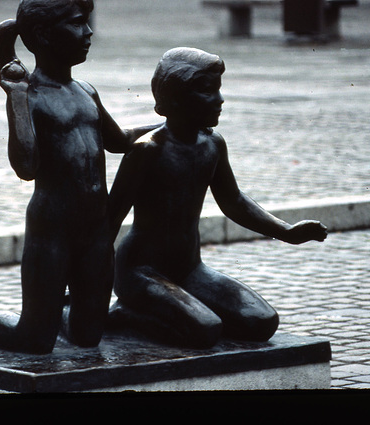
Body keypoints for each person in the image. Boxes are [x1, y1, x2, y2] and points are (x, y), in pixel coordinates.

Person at [0, 0, 158, 354]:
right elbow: (26, 166)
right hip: (52, 229)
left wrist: (170, 125)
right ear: (42, 36)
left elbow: (119, 140)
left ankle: (55, 310)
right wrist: (16, 97)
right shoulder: (31, 97)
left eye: (87, 22)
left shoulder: (86, 92)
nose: (88, 33)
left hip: (95, 230)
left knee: (88, 335)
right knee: (34, 340)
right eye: (77, 24)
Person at [107, 47, 328, 349]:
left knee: (261, 322)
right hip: (140, 273)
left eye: (218, 89)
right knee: (205, 330)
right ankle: (125, 314)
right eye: (208, 91)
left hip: (189, 269)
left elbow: (234, 201)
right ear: (176, 97)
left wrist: (286, 232)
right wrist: (85, 282)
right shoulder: (147, 151)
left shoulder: (212, 144)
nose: (220, 99)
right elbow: (110, 218)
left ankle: (176, 306)